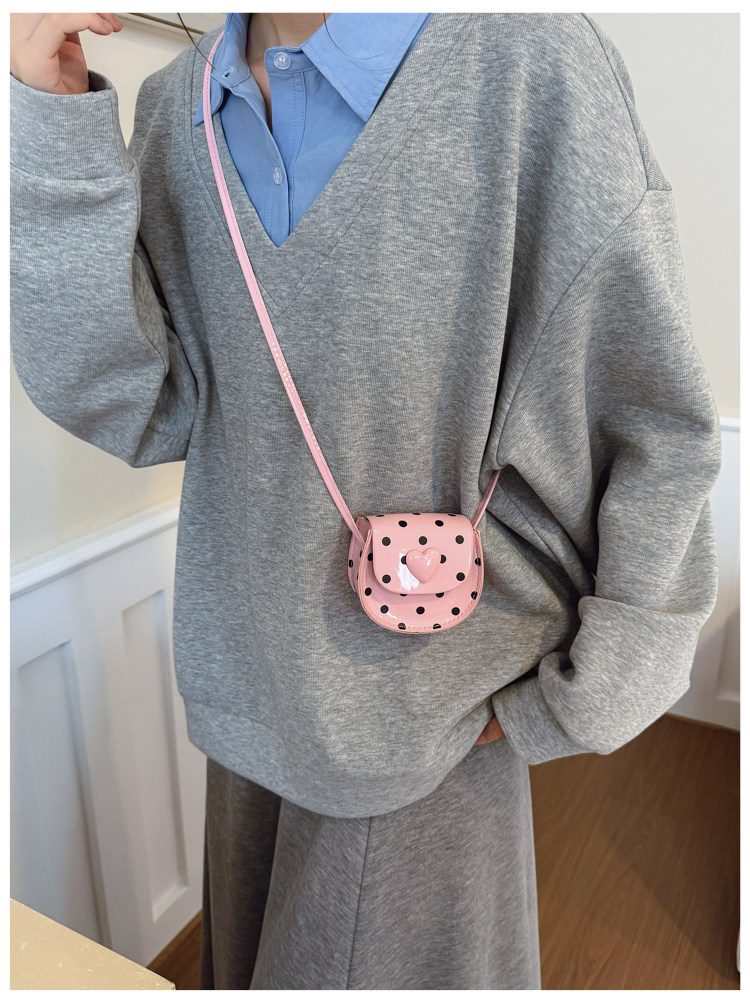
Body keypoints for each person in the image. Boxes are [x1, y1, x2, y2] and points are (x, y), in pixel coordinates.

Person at [9, 12, 722, 990]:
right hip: (246, 705)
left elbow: (651, 420)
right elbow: (144, 405)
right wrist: (54, 128)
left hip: (430, 730)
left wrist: (590, 695)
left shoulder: (529, 62)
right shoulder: (180, 104)